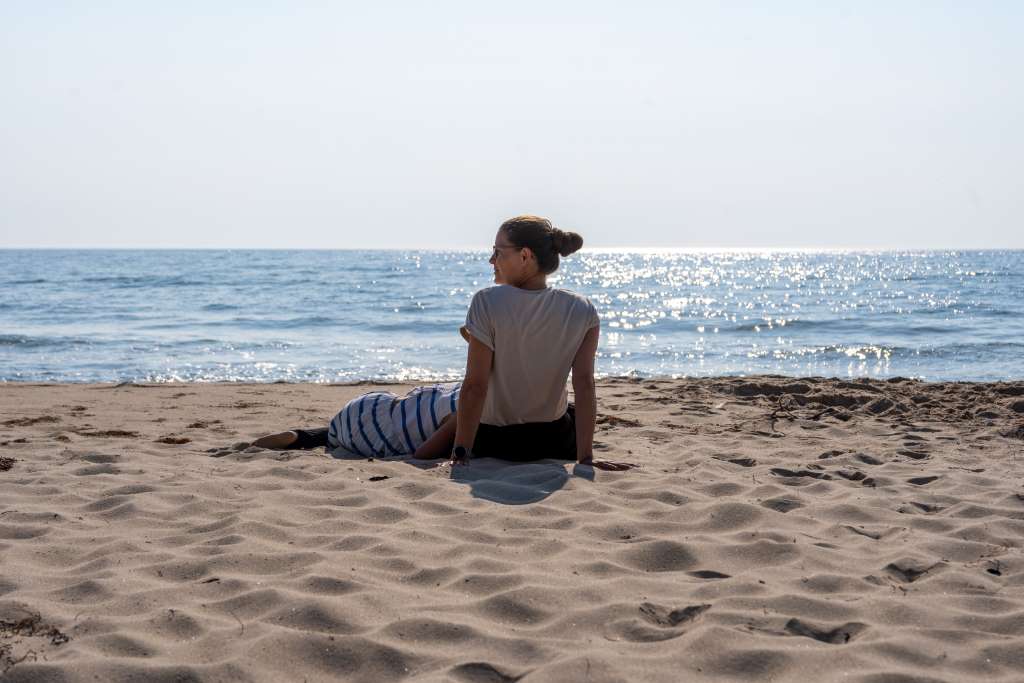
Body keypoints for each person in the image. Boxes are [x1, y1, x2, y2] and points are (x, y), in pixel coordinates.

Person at [450, 215, 635, 471]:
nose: (492, 260)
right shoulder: (581, 308)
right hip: (555, 441)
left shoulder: (486, 301)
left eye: (497, 251)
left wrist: (460, 457)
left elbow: (475, 387)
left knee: (452, 413)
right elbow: (584, 384)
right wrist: (586, 460)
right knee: (566, 409)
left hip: (494, 441)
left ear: (525, 256)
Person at [251, 381, 462, 459]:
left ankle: (296, 437)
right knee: (333, 436)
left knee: (330, 434)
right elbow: (423, 453)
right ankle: (303, 437)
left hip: (376, 403)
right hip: (375, 431)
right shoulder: (463, 411)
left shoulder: (468, 382)